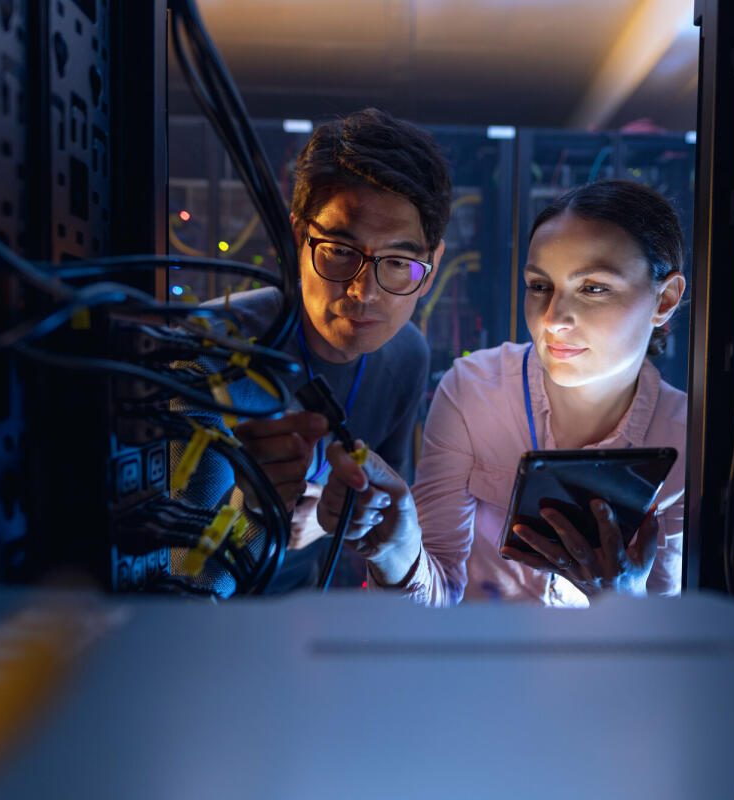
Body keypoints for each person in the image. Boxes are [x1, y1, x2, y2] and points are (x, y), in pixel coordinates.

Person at [318, 180, 687, 606]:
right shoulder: (474, 391)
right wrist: (396, 548)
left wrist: (623, 600)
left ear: (665, 300)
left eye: (594, 288)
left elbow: (668, 645)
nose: (553, 319)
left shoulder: (683, 439)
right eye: (539, 286)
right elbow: (435, 599)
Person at [173, 107, 452, 593]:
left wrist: (330, 519)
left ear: (433, 264)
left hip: (300, 612)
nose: (365, 291)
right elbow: (179, 576)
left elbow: (378, 510)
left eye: (399, 263)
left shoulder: (407, 355)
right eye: (341, 251)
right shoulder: (209, 350)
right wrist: (257, 514)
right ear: (298, 238)